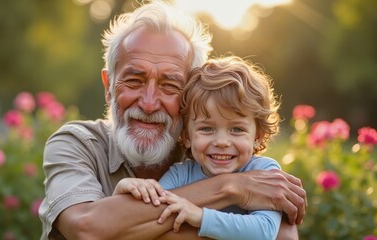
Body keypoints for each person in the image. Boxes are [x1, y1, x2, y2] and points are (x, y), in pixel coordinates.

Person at [39, 1, 306, 239]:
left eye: (169, 85)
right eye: (134, 81)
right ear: (108, 87)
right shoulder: (76, 143)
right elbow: (86, 229)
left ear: (190, 95)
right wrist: (230, 188)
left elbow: (282, 233)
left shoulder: (211, 153)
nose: (149, 102)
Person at [113, 56, 283, 240]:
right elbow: (146, 218)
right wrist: (124, 190)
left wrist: (202, 217)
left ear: (257, 136)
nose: (222, 142)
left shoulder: (264, 172)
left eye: (237, 129)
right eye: (207, 128)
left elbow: (264, 232)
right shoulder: (180, 175)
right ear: (186, 136)